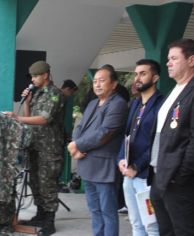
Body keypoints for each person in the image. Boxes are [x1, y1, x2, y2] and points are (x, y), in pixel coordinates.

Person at [4, 61, 65, 236]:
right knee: (35, 183)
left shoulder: (55, 94)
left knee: (47, 185)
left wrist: (17, 118)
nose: (33, 79)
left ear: (45, 75)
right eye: (32, 76)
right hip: (35, 146)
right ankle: (40, 215)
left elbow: (44, 119)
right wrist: (27, 103)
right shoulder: (37, 94)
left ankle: (50, 221)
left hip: (49, 149)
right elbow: (29, 118)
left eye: (36, 76)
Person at [67, 64, 128, 236]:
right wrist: (75, 145)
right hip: (87, 164)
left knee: (108, 212)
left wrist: (78, 146)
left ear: (114, 84)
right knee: (94, 210)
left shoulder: (118, 104)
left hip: (104, 167)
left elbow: (105, 133)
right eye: (95, 81)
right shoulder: (93, 103)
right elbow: (80, 127)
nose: (97, 85)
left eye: (102, 81)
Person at [150, 38, 194, 235]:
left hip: (176, 179)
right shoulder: (174, 91)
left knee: (183, 230)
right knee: (165, 229)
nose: (168, 63)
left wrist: (181, 174)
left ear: (192, 60)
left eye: (174, 58)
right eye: (168, 59)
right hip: (159, 176)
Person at [118, 59, 163, 236]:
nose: (138, 78)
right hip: (128, 176)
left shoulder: (161, 104)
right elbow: (126, 135)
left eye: (143, 74)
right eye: (136, 74)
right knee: (136, 223)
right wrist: (121, 159)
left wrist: (137, 167)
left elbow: (157, 144)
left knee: (151, 225)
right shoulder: (135, 103)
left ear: (155, 77)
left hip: (146, 178)